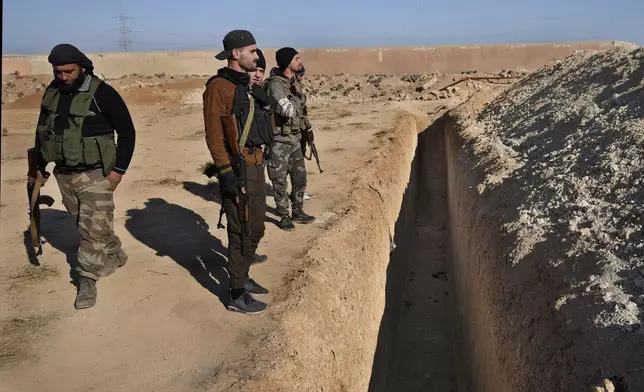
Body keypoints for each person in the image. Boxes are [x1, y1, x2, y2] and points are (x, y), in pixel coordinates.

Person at [34, 43, 135, 310]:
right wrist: (39, 164)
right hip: (64, 174)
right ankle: (113, 252)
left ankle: (87, 279)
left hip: (96, 174)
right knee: (87, 225)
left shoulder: (102, 93)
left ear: (82, 67)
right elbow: (43, 130)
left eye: (69, 71)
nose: (64, 76)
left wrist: (118, 171)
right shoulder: (53, 92)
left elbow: (127, 132)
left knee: (91, 231)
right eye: (59, 72)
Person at [203, 30, 274, 315]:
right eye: (252, 51)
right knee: (241, 229)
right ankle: (235, 293)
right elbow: (214, 135)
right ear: (236, 54)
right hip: (237, 167)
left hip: (257, 164)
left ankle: (242, 277)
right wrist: (225, 173)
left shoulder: (245, 86)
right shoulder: (218, 87)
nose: (257, 56)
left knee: (256, 228)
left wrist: (259, 92)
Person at [264, 47, 316, 231]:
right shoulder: (276, 86)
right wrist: (298, 95)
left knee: (300, 178)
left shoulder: (292, 82)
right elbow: (288, 110)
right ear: (287, 62)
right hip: (279, 141)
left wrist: (306, 129)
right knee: (279, 181)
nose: (300, 61)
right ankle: (284, 215)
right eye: (296, 58)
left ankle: (298, 211)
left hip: (294, 140)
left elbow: (300, 113)